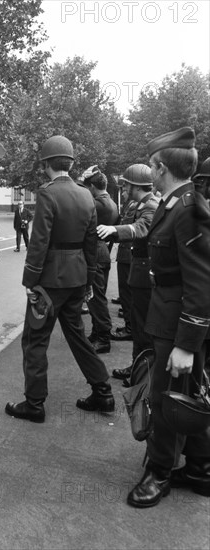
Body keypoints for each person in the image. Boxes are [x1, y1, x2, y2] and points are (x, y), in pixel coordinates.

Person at [127, 127, 210, 508]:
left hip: (178, 324)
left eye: (152, 165)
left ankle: (158, 474)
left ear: (160, 167)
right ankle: (199, 468)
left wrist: (185, 345)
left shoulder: (188, 209)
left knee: (167, 400)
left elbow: (200, 281)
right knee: (189, 395)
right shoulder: (175, 202)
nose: (150, 169)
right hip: (169, 317)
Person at [5, 135, 115, 423]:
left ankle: (34, 403)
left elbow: (39, 242)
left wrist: (30, 281)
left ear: (46, 165)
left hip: (50, 281)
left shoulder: (47, 194)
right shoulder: (85, 194)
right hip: (77, 278)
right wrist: (89, 280)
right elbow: (91, 242)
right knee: (77, 336)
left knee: (35, 340)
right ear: (69, 163)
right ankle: (103, 391)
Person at [97, 164, 158, 379]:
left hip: (143, 273)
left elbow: (141, 228)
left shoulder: (150, 205)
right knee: (139, 324)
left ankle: (141, 373)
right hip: (139, 272)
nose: (124, 188)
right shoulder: (142, 203)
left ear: (135, 185)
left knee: (142, 328)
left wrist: (115, 230)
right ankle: (138, 368)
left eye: (126, 184)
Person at [82, 166, 119, 354]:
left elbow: (79, 201)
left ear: (93, 187)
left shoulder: (96, 203)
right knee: (97, 297)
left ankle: (103, 338)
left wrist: (82, 179)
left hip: (94, 253)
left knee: (96, 300)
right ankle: (97, 334)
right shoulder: (112, 203)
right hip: (103, 250)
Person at [110, 185, 138, 341]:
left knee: (128, 294)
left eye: (126, 189)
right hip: (125, 254)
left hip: (128, 255)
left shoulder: (136, 206)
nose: (125, 192)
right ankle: (129, 324)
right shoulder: (132, 204)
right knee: (126, 294)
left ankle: (130, 328)